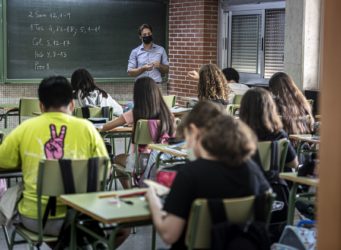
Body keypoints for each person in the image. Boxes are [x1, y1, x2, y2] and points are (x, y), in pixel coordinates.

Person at [146, 101, 270, 249]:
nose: (186, 146)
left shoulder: (190, 174)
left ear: (194, 131)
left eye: (187, 137)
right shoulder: (252, 169)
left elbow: (169, 234)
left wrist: (153, 201)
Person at [0, 76, 111, 238]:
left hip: (36, 218)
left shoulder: (25, 128)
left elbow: (3, 161)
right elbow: (105, 171)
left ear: (41, 106)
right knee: (121, 230)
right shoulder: (87, 129)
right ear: (72, 104)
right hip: (81, 216)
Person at [101, 77, 175, 187]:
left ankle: (130, 190)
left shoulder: (135, 113)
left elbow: (106, 127)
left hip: (138, 162)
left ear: (138, 95)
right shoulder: (168, 115)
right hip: (162, 160)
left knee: (116, 159)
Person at [239, 87, 298, 169]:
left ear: (243, 109)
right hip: (270, 180)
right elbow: (293, 164)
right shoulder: (279, 134)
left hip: (242, 179)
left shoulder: (236, 134)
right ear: (271, 108)